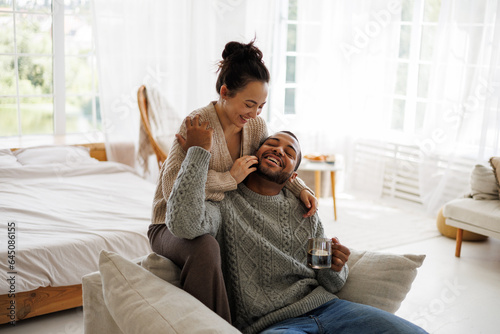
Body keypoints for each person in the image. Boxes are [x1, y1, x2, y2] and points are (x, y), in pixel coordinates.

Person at [164, 119, 428, 334]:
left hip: (330, 309)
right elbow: (184, 225)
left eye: (289, 153)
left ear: (293, 175)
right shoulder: (225, 202)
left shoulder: (307, 211)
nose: (279, 150)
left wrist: (336, 267)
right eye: (272, 144)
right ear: (255, 154)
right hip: (273, 325)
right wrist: (198, 153)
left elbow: (331, 281)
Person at [148, 40, 317, 323]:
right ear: (225, 92)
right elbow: (173, 189)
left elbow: (271, 160)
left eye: (261, 106)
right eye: (249, 104)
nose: (254, 114)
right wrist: (230, 178)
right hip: (170, 221)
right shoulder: (198, 124)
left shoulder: (255, 126)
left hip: (218, 213)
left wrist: (298, 187)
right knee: (205, 247)